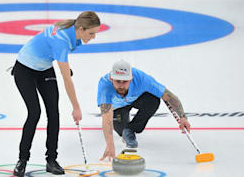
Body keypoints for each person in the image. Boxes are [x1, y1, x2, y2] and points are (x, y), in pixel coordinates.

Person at [11, 11, 101, 176]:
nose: (94, 37)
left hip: (44, 68)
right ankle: (22, 160)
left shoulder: (73, 31)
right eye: (91, 33)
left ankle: (51, 160)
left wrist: (65, 65)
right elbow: (67, 80)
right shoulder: (62, 40)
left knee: (54, 113)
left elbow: (56, 53)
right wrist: (76, 108)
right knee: (34, 113)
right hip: (24, 69)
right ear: (81, 29)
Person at [97, 60, 191, 161]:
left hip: (136, 99)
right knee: (121, 131)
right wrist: (110, 145)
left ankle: (131, 128)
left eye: (125, 81)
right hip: (118, 107)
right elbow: (106, 116)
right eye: (117, 81)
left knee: (154, 99)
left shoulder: (141, 78)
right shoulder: (105, 85)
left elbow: (169, 96)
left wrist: (183, 117)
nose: (121, 85)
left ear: (131, 78)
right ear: (111, 79)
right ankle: (125, 127)